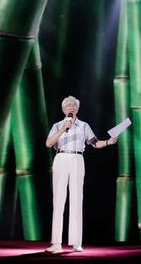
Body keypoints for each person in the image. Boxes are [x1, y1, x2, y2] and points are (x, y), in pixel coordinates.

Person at [44, 96, 117, 253]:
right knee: (58, 200)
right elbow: (49, 143)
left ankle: (76, 243)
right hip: (61, 157)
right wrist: (64, 128)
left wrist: (107, 142)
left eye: (74, 105)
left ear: (77, 109)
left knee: (77, 199)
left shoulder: (84, 126)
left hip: (77, 158)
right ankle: (56, 243)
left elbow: (95, 143)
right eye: (68, 105)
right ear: (63, 109)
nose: (71, 107)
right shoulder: (57, 125)